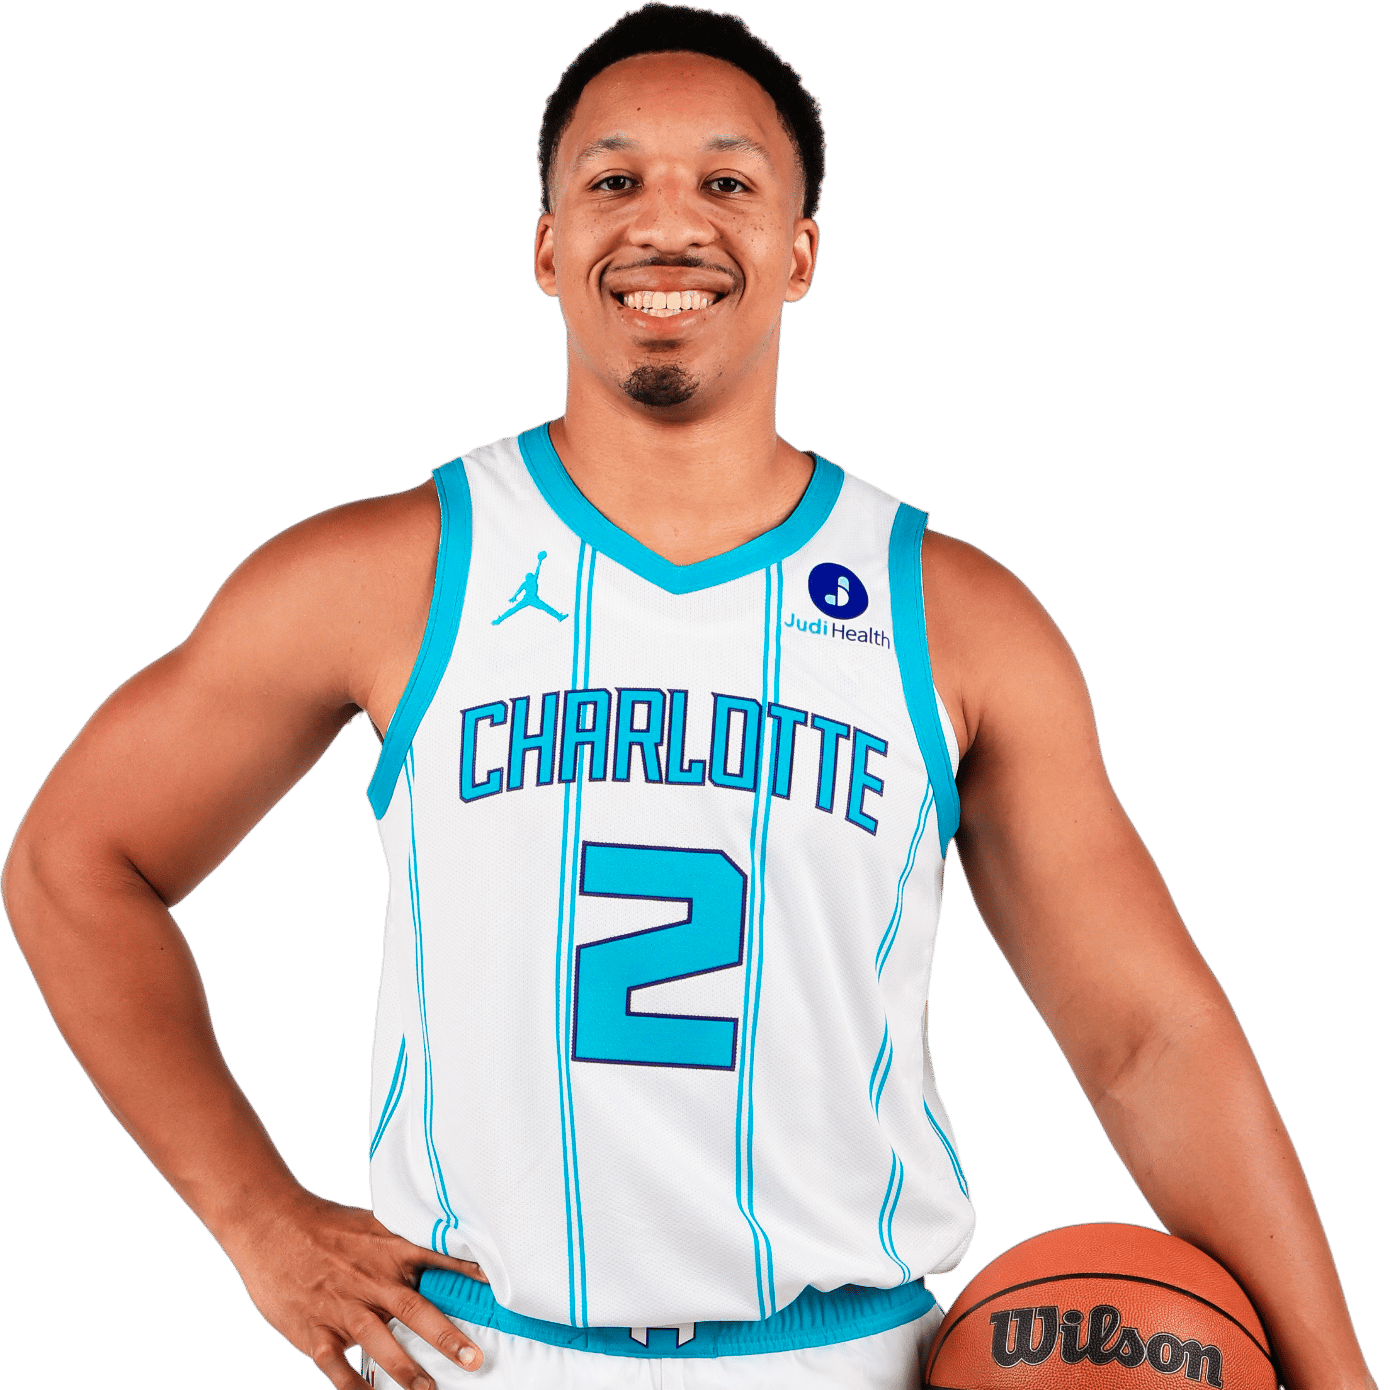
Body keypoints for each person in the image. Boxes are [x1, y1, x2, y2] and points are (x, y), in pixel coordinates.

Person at [2, 5, 1373, 1389]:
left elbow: (1146, 1040)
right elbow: (73, 862)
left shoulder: (955, 619)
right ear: (549, 248)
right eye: (614, 180)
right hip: (480, 1354)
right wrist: (255, 1217)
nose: (668, 223)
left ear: (797, 253)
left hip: (843, 1357)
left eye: (726, 180)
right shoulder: (388, 573)